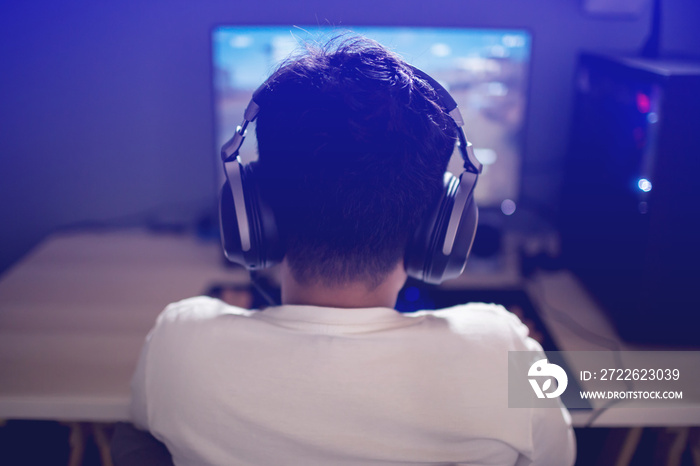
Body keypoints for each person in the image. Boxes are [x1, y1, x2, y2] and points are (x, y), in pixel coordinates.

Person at [125, 36, 575, 465]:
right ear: (439, 223)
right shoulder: (502, 347)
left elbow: (138, 436)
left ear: (255, 210)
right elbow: (560, 458)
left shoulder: (179, 342)